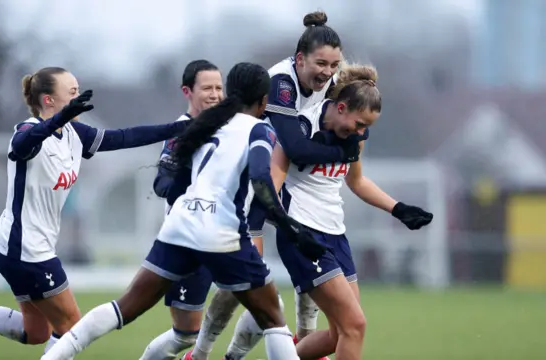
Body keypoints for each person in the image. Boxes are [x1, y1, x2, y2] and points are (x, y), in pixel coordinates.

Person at [40, 62, 326, 360]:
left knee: (125, 308)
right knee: (273, 319)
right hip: (221, 234)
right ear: (264, 101)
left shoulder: (207, 123)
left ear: (229, 91)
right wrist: (291, 228)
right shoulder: (260, 129)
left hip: (178, 228)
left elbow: (173, 178)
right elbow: (260, 177)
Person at [0, 67, 190, 357]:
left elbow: (122, 137)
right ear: (48, 100)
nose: (78, 98)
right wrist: (61, 118)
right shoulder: (28, 131)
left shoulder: (72, 134)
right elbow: (22, 145)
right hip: (25, 250)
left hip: (22, 248)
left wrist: (177, 129)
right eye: (72, 93)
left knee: (37, 332)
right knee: (71, 327)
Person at [183, 10, 357, 360]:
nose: (327, 72)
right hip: (250, 188)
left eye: (334, 64)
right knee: (243, 283)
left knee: (312, 274)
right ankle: (199, 354)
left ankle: (295, 347)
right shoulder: (280, 83)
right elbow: (294, 146)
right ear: (300, 59)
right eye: (320, 63)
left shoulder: (329, 82)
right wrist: (344, 149)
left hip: (286, 189)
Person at [232, 62, 433, 360]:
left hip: (335, 235)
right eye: (360, 124)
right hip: (303, 235)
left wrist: (398, 209)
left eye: (367, 128)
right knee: (355, 324)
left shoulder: (354, 140)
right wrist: (290, 229)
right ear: (341, 108)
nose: (362, 133)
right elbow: (269, 188)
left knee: (339, 333)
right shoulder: (300, 130)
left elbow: (357, 181)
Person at [141, 59, 224, 360]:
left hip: (223, 239)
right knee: (186, 333)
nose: (215, 94)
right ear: (187, 91)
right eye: (207, 88)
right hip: (188, 242)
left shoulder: (230, 128)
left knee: (267, 308)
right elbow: (162, 184)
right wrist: (185, 187)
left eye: (219, 87)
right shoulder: (180, 132)